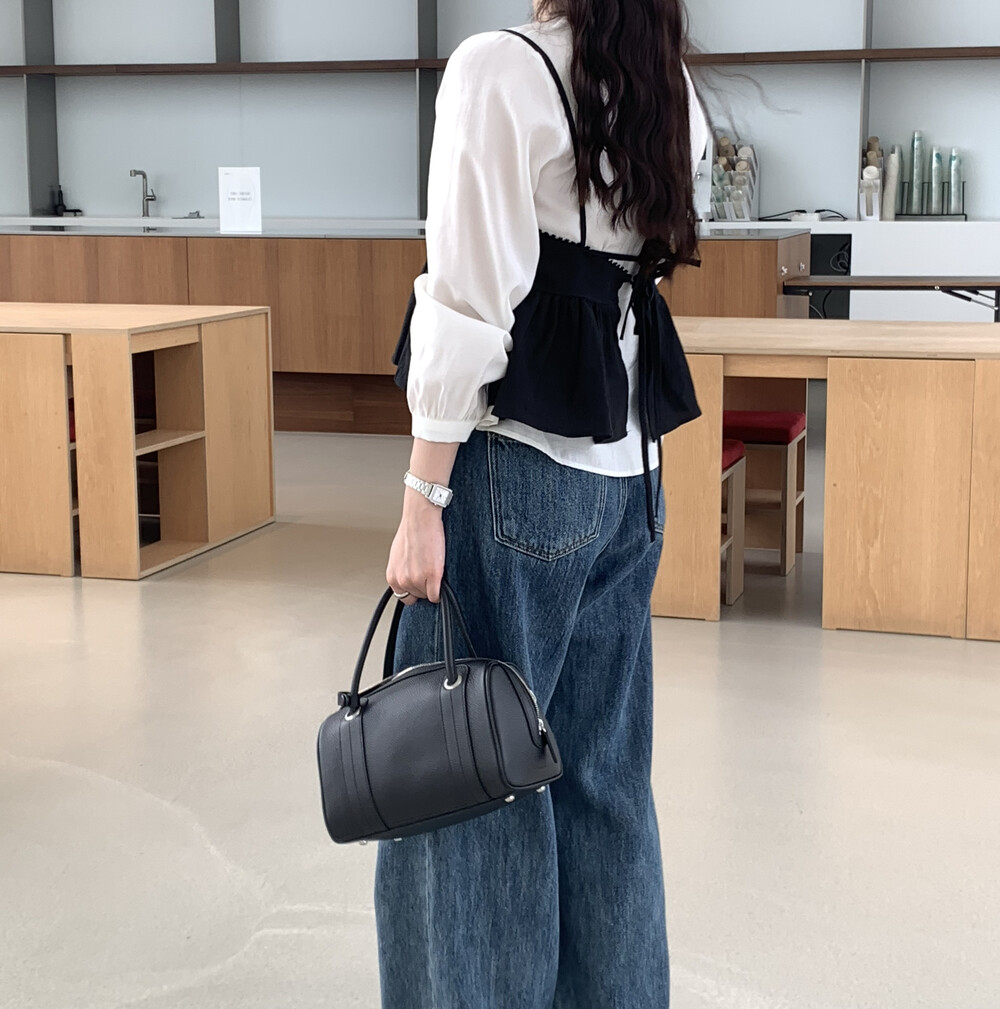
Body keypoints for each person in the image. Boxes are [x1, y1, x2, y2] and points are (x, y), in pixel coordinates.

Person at [380, 0, 708, 1005]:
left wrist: (422, 495)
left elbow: (468, 301)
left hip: (514, 474)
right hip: (629, 478)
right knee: (604, 785)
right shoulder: (665, 83)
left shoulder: (501, 68)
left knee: (467, 791)